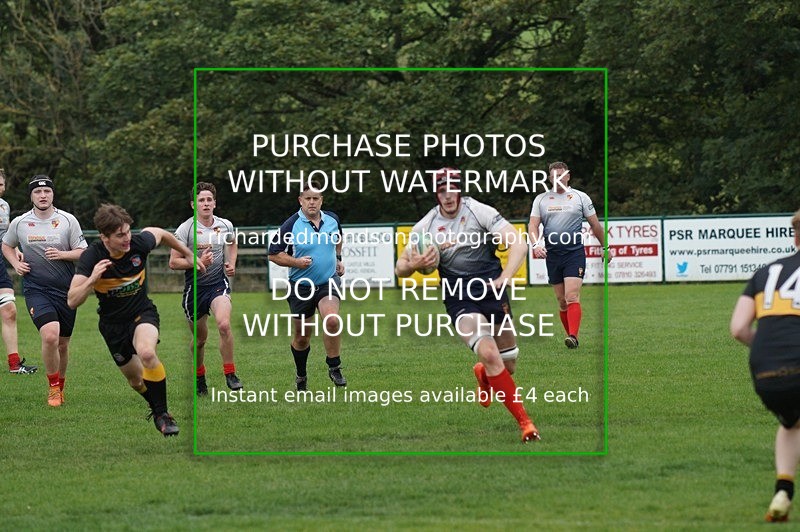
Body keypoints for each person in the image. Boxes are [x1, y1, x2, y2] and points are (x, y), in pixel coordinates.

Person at [394, 167, 540, 443]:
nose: (447, 196)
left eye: (451, 189)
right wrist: (414, 264)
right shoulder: (425, 226)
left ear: (459, 189)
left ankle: (483, 375)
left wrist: (505, 277)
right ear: (436, 194)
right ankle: (526, 423)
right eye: (441, 191)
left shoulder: (478, 211)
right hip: (458, 295)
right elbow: (400, 267)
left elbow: (518, 244)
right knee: (490, 353)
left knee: (507, 365)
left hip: (491, 289)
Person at [68, 204, 200, 437]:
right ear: (104, 237)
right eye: (120, 235)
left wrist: (188, 253)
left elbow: (161, 233)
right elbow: (72, 300)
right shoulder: (92, 257)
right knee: (136, 381)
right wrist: (92, 279)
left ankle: (162, 414)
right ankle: (157, 408)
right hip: (112, 326)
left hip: (142, 313)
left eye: (128, 231)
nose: (127, 238)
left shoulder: (138, 244)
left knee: (147, 353)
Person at [730, 208, 800, 522]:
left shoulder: (764, 273)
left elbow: (739, 329)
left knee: (791, 424)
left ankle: (783, 489)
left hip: (765, 369)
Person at [2, 175, 86, 405]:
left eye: (46, 192)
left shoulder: (68, 221)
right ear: (31, 196)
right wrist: (16, 263)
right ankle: (52, 388)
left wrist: (63, 255)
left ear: (52, 194)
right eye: (38, 192)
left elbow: (82, 251)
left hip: (66, 290)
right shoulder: (20, 222)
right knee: (50, 335)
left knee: (63, 344)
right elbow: (6, 245)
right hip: (36, 289)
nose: (42, 196)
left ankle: (61, 385)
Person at [268, 179, 347, 391]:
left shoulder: (332, 219)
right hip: (300, 286)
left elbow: (338, 238)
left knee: (331, 320)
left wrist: (338, 258)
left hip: (327, 281)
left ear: (321, 200)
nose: (312, 202)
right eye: (308, 198)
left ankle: (334, 366)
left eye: (316, 198)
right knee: (302, 337)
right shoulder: (290, 224)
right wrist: (296, 263)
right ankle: (301, 374)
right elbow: (273, 254)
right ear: (300, 200)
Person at [170, 182, 241, 396]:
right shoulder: (186, 229)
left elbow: (232, 242)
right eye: (201, 200)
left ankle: (230, 373)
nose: (206, 203)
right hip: (195, 289)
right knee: (200, 340)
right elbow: (173, 262)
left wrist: (231, 262)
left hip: (218, 284)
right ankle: (199, 376)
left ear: (215, 203)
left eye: (209, 199)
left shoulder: (225, 225)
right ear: (193, 204)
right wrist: (199, 262)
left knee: (224, 324)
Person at [528, 161, 608, 349]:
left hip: (574, 253)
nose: (558, 179)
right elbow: (533, 225)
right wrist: (536, 244)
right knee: (562, 301)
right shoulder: (541, 199)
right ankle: (570, 334)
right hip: (553, 255)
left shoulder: (580, 197)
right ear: (549, 178)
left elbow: (595, 225)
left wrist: (605, 247)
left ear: (568, 176)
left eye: (561, 175)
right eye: (554, 177)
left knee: (572, 296)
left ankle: (573, 336)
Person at [0, 169, 36, 374]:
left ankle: (14, 364)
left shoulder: (4, 206)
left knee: (9, 311)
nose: (0, 189)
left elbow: (6, 237)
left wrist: (15, 250)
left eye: (1, 185)